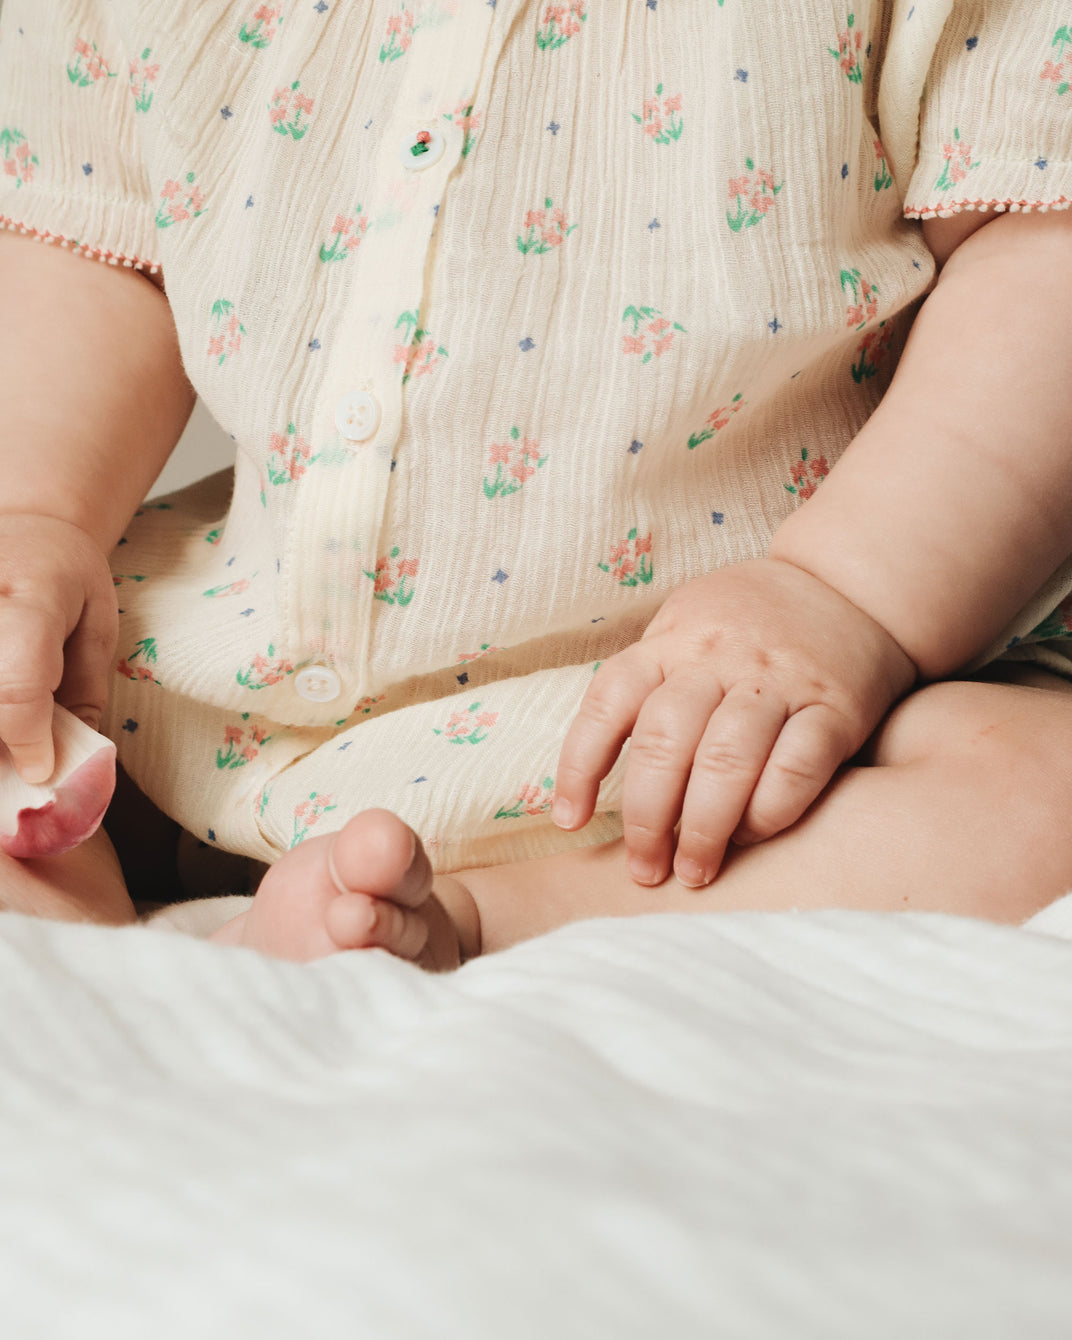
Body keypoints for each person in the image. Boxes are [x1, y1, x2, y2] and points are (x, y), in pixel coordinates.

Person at [2, 0, 1072, 971]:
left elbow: (1040, 245)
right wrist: (36, 507)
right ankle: (76, 956)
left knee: (1036, 792)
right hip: (212, 685)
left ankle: (491, 919)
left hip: (723, 732)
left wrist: (840, 592)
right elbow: (96, 230)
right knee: (15, 695)